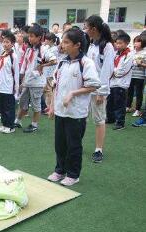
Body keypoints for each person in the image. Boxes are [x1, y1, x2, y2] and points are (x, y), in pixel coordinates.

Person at [47, 27, 101, 187]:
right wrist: (51, 106)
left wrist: (73, 93)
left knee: (73, 145)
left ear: (77, 45)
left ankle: (73, 174)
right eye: (62, 41)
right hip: (60, 111)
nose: (62, 45)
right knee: (60, 144)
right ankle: (59, 170)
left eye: (66, 42)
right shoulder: (62, 62)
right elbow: (55, 85)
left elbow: (93, 85)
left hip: (76, 113)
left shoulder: (86, 63)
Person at [85, 15, 114, 163]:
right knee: (82, 116)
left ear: (94, 29)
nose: (85, 30)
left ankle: (98, 149)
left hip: (98, 90)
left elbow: (106, 71)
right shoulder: (92, 44)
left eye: (87, 27)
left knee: (99, 119)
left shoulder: (107, 46)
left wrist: (101, 92)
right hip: (87, 88)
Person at [14, 24, 46, 133]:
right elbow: (24, 64)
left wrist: (39, 70)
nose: (30, 38)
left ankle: (34, 124)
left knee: (36, 104)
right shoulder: (29, 49)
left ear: (39, 37)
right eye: (29, 36)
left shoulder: (43, 49)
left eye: (32, 36)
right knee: (22, 102)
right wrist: (22, 77)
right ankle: (17, 121)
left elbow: (52, 61)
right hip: (27, 81)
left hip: (37, 82)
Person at [0, 30, 20, 134]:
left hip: (9, 86)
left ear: (12, 44)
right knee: (2, 107)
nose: (5, 44)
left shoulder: (14, 56)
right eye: (4, 42)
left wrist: (16, 87)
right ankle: (4, 124)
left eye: (8, 42)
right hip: (1, 85)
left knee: (9, 107)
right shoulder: (3, 54)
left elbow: (16, 73)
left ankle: (10, 126)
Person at [107, 31, 133, 130]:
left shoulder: (129, 55)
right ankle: (110, 118)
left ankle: (120, 123)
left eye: (120, 43)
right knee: (110, 102)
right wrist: (112, 71)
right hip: (112, 82)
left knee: (119, 103)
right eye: (116, 43)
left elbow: (122, 71)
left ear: (126, 44)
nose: (117, 45)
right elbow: (110, 65)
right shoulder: (116, 54)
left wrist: (112, 71)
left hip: (121, 83)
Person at [127, 35, 146, 116]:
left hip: (140, 76)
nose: (135, 43)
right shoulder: (131, 52)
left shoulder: (145, 52)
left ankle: (138, 110)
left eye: (138, 41)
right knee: (129, 92)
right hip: (130, 75)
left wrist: (141, 64)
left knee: (139, 93)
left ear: (143, 43)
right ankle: (128, 106)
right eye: (135, 41)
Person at [41, 32, 59, 113]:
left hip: (51, 71)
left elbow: (54, 61)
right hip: (47, 71)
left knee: (48, 90)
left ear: (51, 40)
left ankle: (50, 107)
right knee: (46, 89)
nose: (45, 41)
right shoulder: (49, 47)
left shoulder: (54, 49)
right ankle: (48, 106)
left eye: (47, 39)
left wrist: (44, 65)